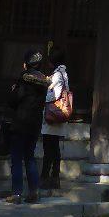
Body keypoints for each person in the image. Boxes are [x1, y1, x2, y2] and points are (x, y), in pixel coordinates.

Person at [1, 49, 49, 205]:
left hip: (21, 122)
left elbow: (14, 100)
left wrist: (13, 91)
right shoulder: (44, 81)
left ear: (26, 64)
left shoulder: (24, 79)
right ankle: (34, 192)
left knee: (16, 159)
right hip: (35, 124)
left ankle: (16, 193)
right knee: (30, 157)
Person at [40, 44, 69, 191]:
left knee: (49, 148)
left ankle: (45, 177)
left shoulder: (57, 75)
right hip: (58, 114)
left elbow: (55, 95)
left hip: (52, 114)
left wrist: (42, 98)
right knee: (55, 148)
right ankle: (54, 177)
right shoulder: (64, 74)